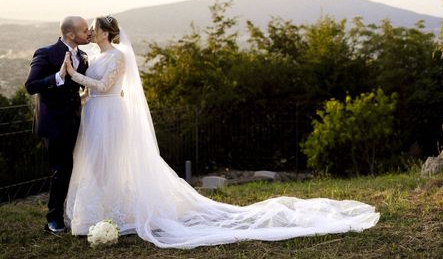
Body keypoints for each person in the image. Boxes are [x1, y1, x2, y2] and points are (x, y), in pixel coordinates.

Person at [64, 15, 379, 249]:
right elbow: (93, 88)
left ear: (106, 31)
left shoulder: (119, 56)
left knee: (115, 162)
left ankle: (116, 216)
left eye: (94, 28)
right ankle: (97, 214)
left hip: (111, 115)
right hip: (94, 114)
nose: (90, 32)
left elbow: (106, 86)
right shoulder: (95, 56)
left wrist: (74, 75)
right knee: (97, 165)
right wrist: (79, 91)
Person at [25, 16, 92, 233]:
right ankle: (54, 218)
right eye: (84, 31)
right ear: (71, 35)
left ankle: (75, 212)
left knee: (73, 168)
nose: (88, 33)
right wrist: (58, 76)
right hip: (53, 123)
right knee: (62, 170)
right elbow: (31, 85)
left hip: (76, 121)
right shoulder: (45, 53)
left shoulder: (83, 56)